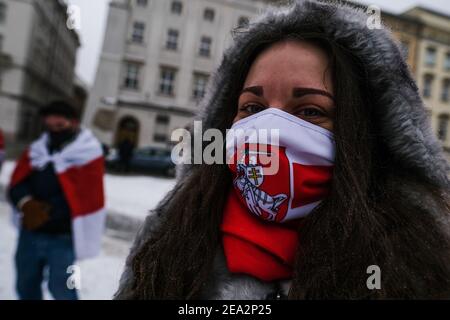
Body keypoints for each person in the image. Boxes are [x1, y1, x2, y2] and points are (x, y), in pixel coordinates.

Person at [115, 0, 450, 299]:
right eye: (252, 107)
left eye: (309, 111)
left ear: (363, 135)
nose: (269, 131)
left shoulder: (416, 262)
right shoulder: (173, 229)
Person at [8, 101, 106, 300]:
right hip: (30, 234)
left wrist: (48, 212)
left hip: (63, 238)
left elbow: (87, 197)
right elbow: (17, 183)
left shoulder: (89, 153)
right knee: (25, 284)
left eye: (60, 126)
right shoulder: (36, 151)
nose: (54, 131)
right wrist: (26, 203)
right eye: (50, 126)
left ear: (73, 123)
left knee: (63, 289)